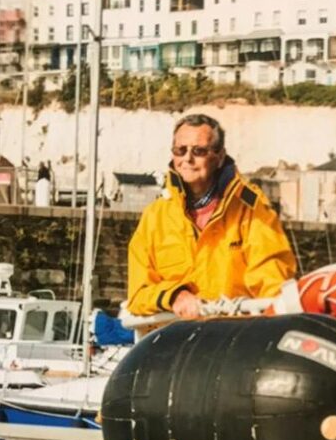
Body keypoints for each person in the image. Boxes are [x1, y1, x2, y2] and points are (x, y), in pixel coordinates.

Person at [127, 114, 296, 317]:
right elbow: (138, 295)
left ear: (219, 156)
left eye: (198, 151)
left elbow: (271, 277)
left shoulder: (250, 208)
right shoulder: (155, 217)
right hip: (176, 340)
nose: (187, 158)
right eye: (180, 150)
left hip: (234, 338)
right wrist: (175, 296)